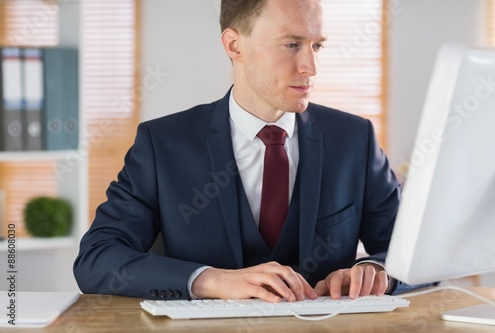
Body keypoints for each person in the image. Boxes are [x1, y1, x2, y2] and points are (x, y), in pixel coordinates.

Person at [74, 0, 421, 302]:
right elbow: (97, 259)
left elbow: (414, 253)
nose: (311, 68)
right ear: (235, 45)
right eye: (291, 44)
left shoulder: (354, 138)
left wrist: (376, 270)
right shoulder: (162, 143)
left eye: (317, 46)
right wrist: (211, 280)